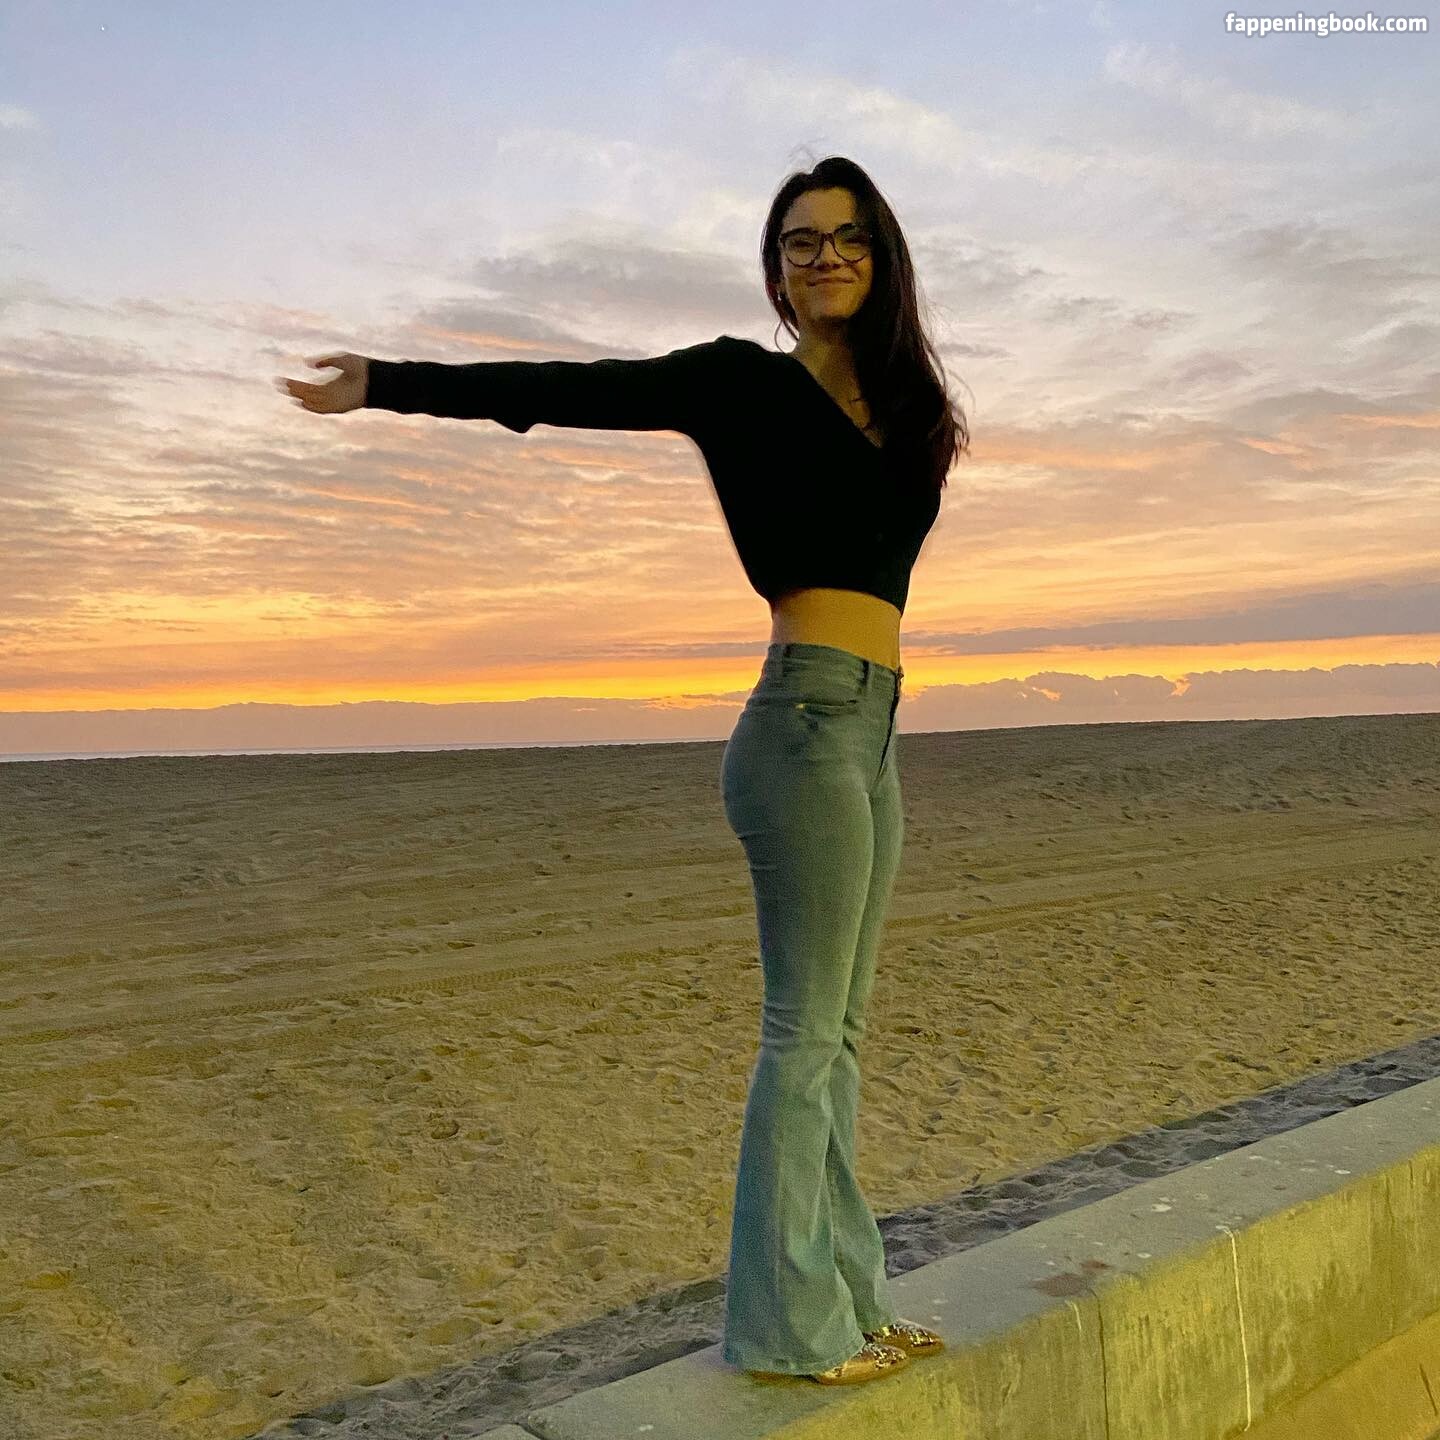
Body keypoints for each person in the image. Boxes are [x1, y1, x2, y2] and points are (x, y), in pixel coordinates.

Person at [276, 154, 968, 1387]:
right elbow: (562, 387)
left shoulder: (911, 407)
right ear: (776, 270)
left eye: (848, 237)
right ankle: (786, 1331)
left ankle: (853, 1300)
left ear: (882, 256)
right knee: (803, 1035)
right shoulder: (736, 383)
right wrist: (385, 383)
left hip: (874, 726)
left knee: (843, 1036)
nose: (825, 258)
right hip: (803, 722)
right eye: (801, 242)